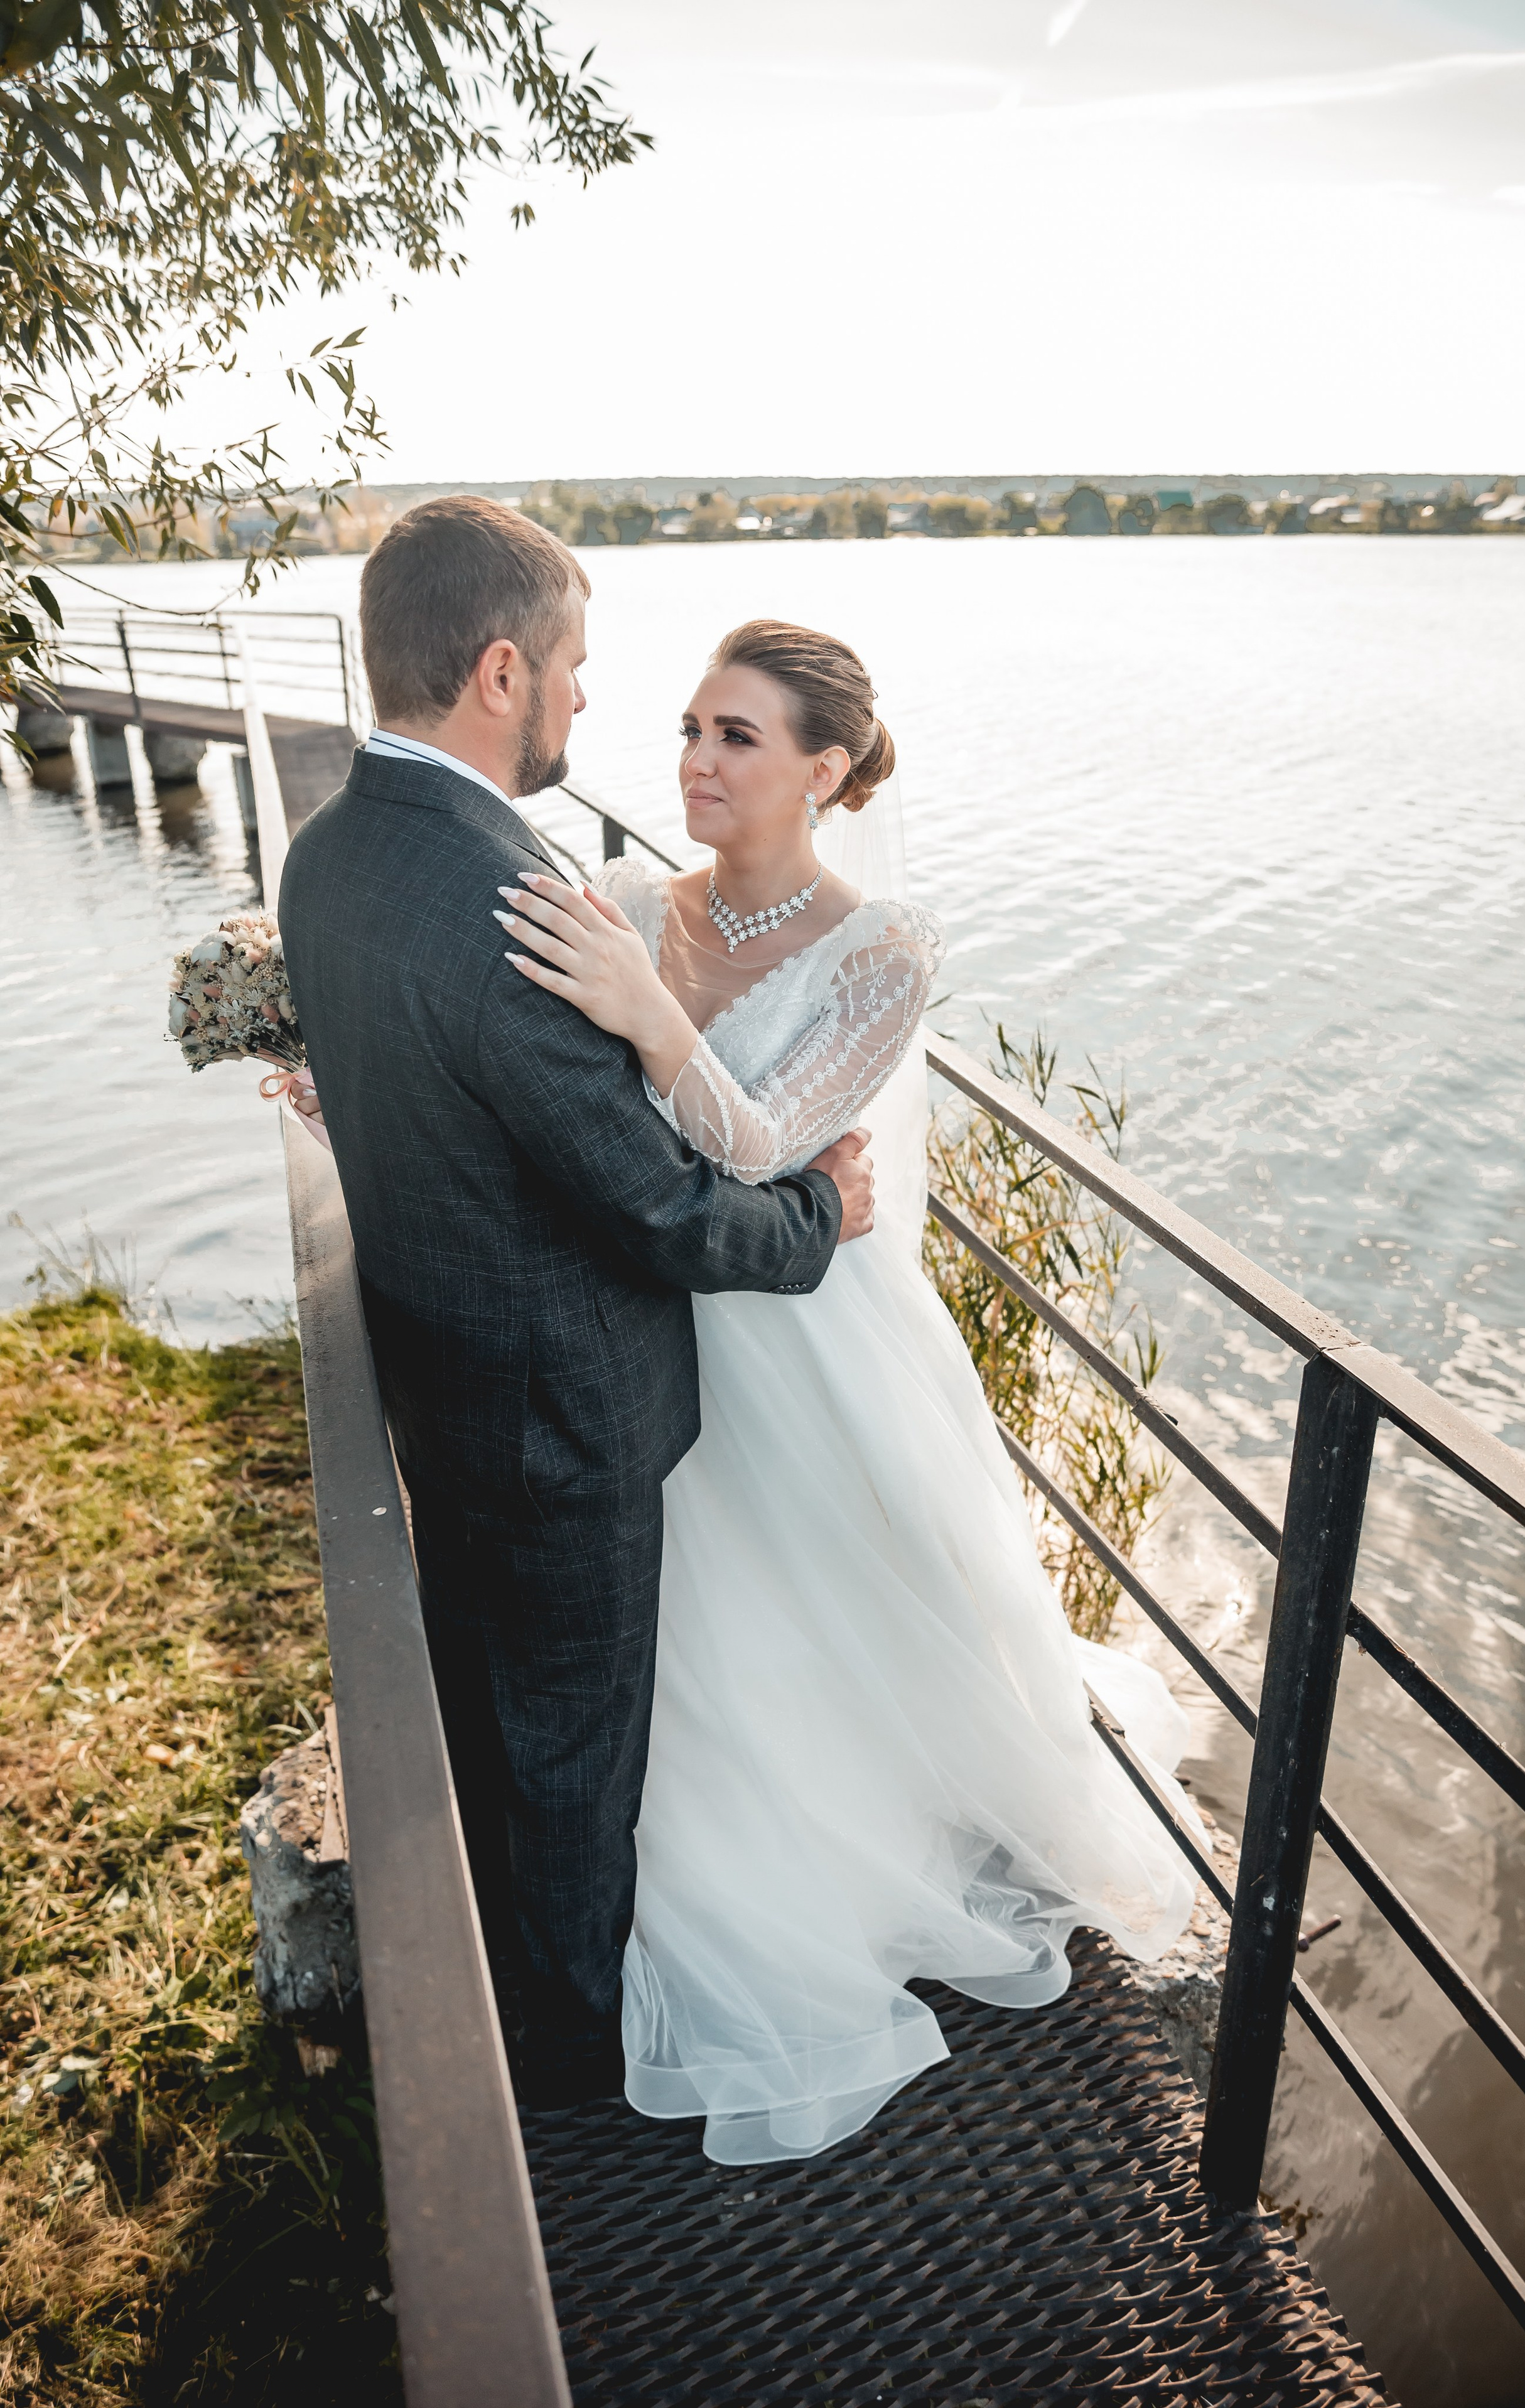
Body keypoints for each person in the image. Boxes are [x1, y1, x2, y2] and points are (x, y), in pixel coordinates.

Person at [493, 617, 1199, 2164]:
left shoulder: (883, 950)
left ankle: (870, 1842)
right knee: (691, 1618)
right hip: (650, 1319)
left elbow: (758, 1143)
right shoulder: (625, 901)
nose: (692, 757)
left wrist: (642, 1008)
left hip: (805, 1334)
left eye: (736, 736)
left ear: (824, 768)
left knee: (828, 1593)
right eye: (687, 725)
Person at [276, 502, 875, 2110]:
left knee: (496, 1719)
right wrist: (821, 1209)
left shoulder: (329, 847)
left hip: (450, 1385)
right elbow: (665, 1209)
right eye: (574, 670)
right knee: (568, 1766)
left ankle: (505, 1996)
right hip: (559, 1425)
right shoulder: (497, 906)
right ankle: (555, 2079)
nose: (589, 705)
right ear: (495, 671)